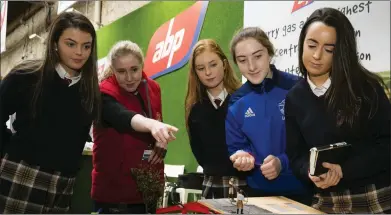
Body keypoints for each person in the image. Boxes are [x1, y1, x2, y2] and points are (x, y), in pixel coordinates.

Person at [0, 12, 177, 214]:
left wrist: (153, 125)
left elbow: (119, 114)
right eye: (71, 44)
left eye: (86, 46)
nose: (79, 53)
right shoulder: (26, 76)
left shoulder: (90, 90)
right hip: (21, 174)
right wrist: (9, 153)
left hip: (65, 183)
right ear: (55, 43)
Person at [285, 8, 390, 214]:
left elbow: (387, 145)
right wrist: (310, 172)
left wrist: (343, 170)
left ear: (341, 51)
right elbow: (296, 156)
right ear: (302, 44)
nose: (316, 55)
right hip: (324, 201)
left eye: (329, 49)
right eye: (311, 45)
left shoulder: (367, 88)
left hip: (376, 198)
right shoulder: (294, 98)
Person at [225, 27, 310, 204]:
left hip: (302, 192)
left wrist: (282, 162)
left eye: (258, 56)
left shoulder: (297, 88)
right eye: (242, 60)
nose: (251, 66)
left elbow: (312, 141)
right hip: (257, 194)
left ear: (269, 54)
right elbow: (236, 146)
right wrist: (243, 156)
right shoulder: (236, 102)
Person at [91, 40, 177, 214]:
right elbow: (123, 116)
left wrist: (161, 140)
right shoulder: (102, 94)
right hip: (115, 196)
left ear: (142, 65)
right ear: (113, 70)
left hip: (148, 190)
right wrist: (152, 125)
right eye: (121, 72)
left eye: (134, 69)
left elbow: (158, 119)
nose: (129, 78)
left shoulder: (153, 88)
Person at [185, 39, 246, 199]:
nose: (208, 72)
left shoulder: (243, 100)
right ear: (195, 72)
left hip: (245, 184)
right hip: (211, 184)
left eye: (213, 64)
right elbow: (199, 152)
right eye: (201, 68)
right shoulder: (195, 110)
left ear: (224, 64)